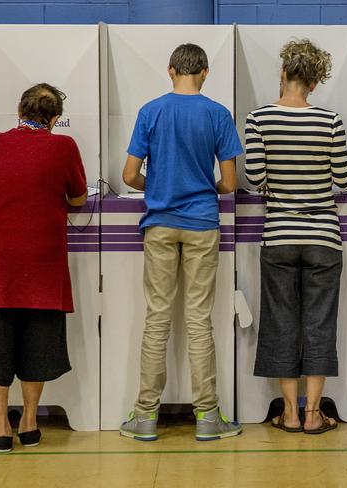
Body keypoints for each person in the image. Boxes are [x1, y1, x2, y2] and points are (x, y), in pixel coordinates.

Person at [120, 43, 243, 442]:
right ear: (205, 72)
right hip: (203, 223)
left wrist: (156, 185)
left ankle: (145, 417)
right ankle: (207, 417)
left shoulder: (151, 111)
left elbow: (128, 175)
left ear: (170, 70)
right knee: (198, 320)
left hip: (158, 224)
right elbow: (228, 183)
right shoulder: (218, 114)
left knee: (157, 318)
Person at [245, 39, 347, 434]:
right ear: (315, 82)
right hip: (324, 236)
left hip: (278, 236)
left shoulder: (258, 119)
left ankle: (289, 413)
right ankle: (314, 415)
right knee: (319, 324)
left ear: (283, 74)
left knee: (280, 323)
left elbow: (255, 178)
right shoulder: (330, 121)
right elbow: (344, 179)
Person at [0, 84, 88, 453]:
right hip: (43, 261)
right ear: (55, 118)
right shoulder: (64, 146)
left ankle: (0, 428)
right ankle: (29, 423)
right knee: (39, 342)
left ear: (18, 109)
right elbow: (78, 196)